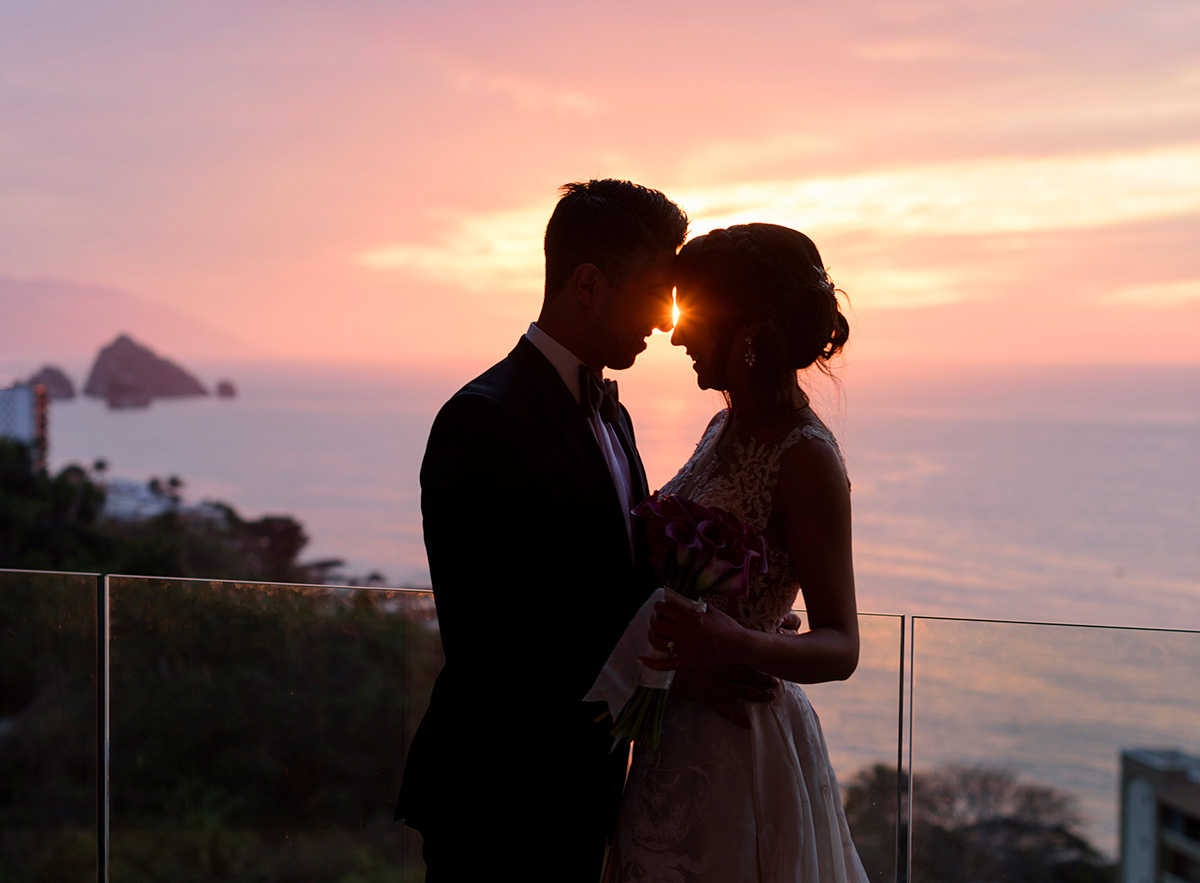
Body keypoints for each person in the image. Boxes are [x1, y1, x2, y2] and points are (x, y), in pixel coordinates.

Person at [395, 179, 689, 880]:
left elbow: (623, 581)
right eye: (654, 290)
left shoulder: (614, 414)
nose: (668, 319)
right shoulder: (482, 420)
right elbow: (490, 638)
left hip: (587, 788)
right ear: (588, 283)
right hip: (500, 798)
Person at [607, 224, 870, 882]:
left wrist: (739, 641)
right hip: (673, 724)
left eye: (692, 314)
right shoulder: (720, 426)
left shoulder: (806, 457)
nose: (675, 332)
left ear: (748, 333)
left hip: (742, 743)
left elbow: (842, 644)